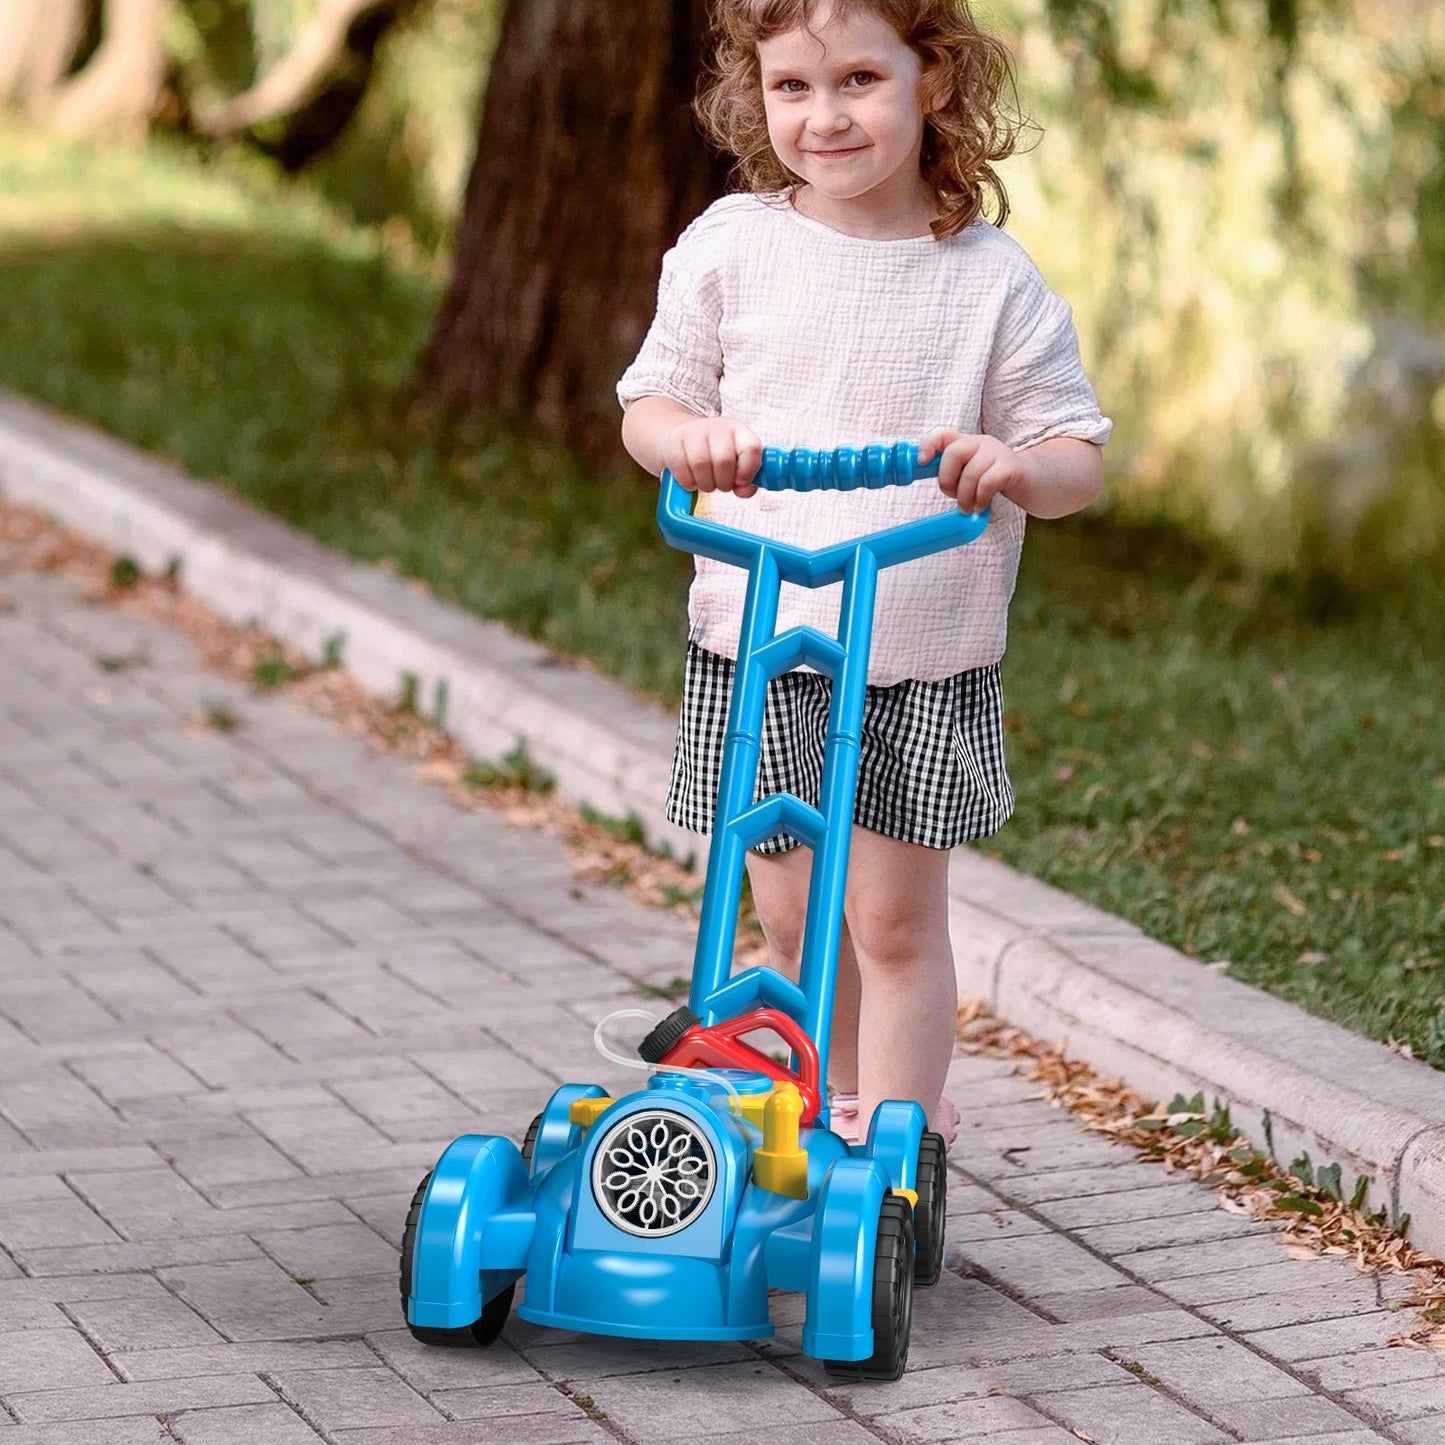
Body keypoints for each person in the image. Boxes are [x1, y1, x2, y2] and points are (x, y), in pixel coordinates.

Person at [617, 0, 1110, 1149]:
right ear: (755, 94)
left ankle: (889, 1147)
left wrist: (1016, 467)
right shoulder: (731, 245)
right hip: (762, 636)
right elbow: (652, 400)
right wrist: (686, 438)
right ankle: (805, 1120)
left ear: (930, 82)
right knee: (790, 920)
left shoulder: (988, 280)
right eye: (791, 87)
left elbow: (1074, 456)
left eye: (857, 81)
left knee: (888, 922)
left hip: (914, 652)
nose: (824, 115)